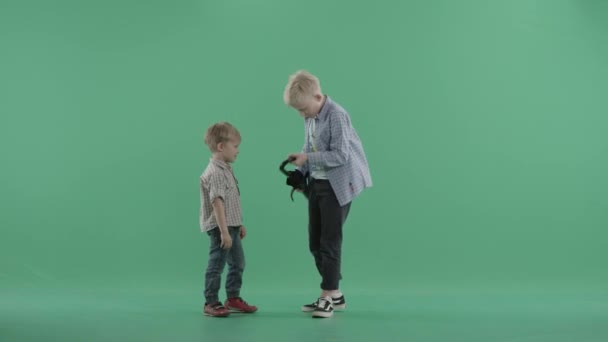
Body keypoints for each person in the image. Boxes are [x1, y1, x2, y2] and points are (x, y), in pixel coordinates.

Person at [283, 70, 372, 318]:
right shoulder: (310, 116)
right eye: (298, 112)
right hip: (318, 184)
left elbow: (341, 156)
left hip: (338, 186)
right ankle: (335, 294)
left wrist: (308, 158)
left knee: (329, 241)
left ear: (318, 96)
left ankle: (327, 294)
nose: (302, 115)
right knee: (315, 242)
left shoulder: (337, 116)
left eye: (303, 109)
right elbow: (307, 147)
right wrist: (301, 168)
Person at [199, 122, 257, 317]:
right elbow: (217, 203)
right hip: (220, 228)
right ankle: (211, 302)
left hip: (231, 227)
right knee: (217, 265)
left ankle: (232, 297)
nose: (238, 151)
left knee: (238, 263)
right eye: (235, 146)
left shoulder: (226, 169)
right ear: (221, 147)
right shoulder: (215, 173)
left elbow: (230, 200)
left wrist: (237, 224)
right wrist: (224, 231)